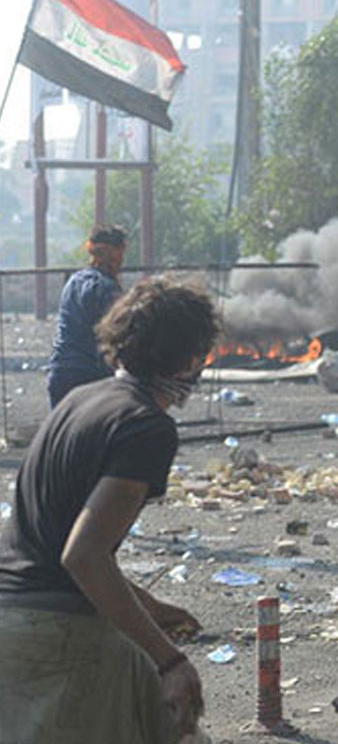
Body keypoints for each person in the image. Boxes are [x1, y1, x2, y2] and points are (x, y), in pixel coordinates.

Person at [0, 276, 220, 743]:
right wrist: (172, 661)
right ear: (190, 358)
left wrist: (153, 607)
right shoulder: (146, 426)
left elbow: (60, 542)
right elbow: (83, 555)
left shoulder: (81, 400)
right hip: (56, 637)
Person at [46, 225, 129, 407]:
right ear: (117, 253)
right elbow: (115, 334)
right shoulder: (106, 289)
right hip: (91, 377)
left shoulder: (74, 281)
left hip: (61, 373)